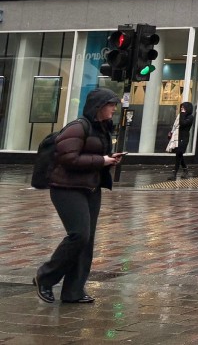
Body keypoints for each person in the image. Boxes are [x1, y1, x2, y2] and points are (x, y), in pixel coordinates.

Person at [34, 88, 124, 305]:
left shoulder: (101, 128)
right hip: (66, 188)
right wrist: (102, 161)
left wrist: (109, 159)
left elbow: (91, 155)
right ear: (99, 107)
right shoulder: (78, 126)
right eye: (111, 105)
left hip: (90, 189)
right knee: (79, 235)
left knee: (87, 241)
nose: (114, 109)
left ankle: (73, 291)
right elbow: (68, 158)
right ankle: (45, 277)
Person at [166, 101, 194, 174]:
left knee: (178, 154)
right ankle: (185, 169)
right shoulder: (181, 115)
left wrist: (182, 114)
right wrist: (171, 133)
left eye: (183, 107)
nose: (182, 109)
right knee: (179, 154)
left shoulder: (190, 117)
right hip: (177, 136)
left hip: (184, 138)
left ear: (188, 108)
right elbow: (175, 125)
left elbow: (183, 123)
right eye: (181, 107)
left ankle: (174, 173)